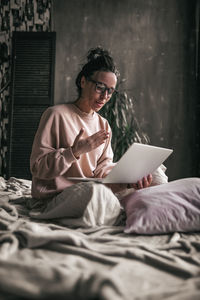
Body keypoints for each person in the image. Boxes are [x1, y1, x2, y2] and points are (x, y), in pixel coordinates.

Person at [29, 47, 167, 224]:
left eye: (110, 91)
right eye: (100, 87)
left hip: (92, 187)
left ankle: (158, 217)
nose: (105, 96)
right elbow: (38, 167)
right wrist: (74, 152)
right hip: (57, 196)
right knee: (96, 193)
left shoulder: (103, 125)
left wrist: (129, 181)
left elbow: (102, 171)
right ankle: (123, 210)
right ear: (83, 81)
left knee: (155, 172)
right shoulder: (55, 115)